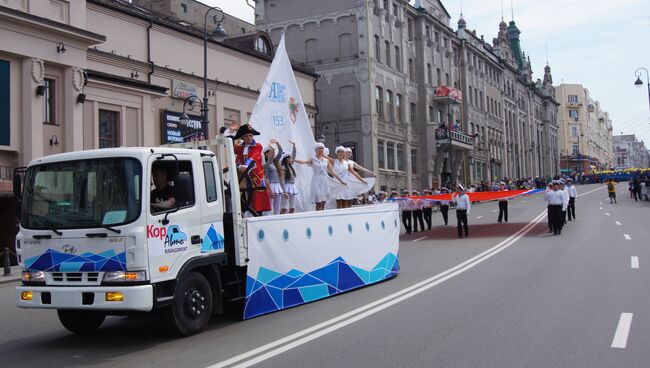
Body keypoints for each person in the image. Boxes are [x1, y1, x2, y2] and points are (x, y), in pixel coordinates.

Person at [295, 142, 346, 211]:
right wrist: (294, 159)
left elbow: (332, 172)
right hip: (317, 181)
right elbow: (304, 162)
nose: (321, 149)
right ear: (316, 150)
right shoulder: (313, 159)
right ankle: (318, 217)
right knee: (318, 202)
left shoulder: (326, 160)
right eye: (319, 148)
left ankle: (322, 217)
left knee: (323, 202)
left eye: (322, 148)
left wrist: (341, 181)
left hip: (324, 182)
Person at [263, 139, 285, 215]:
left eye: (272, 153)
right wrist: (270, 190)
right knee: (270, 208)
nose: (273, 154)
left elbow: (281, 151)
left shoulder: (275, 162)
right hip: (271, 186)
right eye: (270, 152)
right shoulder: (266, 164)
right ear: (266, 154)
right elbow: (266, 178)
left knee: (277, 208)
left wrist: (276, 142)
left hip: (278, 186)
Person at [280, 141, 299, 214]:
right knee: (284, 207)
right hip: (286, 187)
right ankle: (280, 219)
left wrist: (294, 146)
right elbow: (282, 180)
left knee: (292, 207)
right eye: (290, 158)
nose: (292, 159)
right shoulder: (283, 168)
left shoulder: (290, 166)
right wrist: (284, 191)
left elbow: (294, 155)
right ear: (287, 159)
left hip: (293, 186)